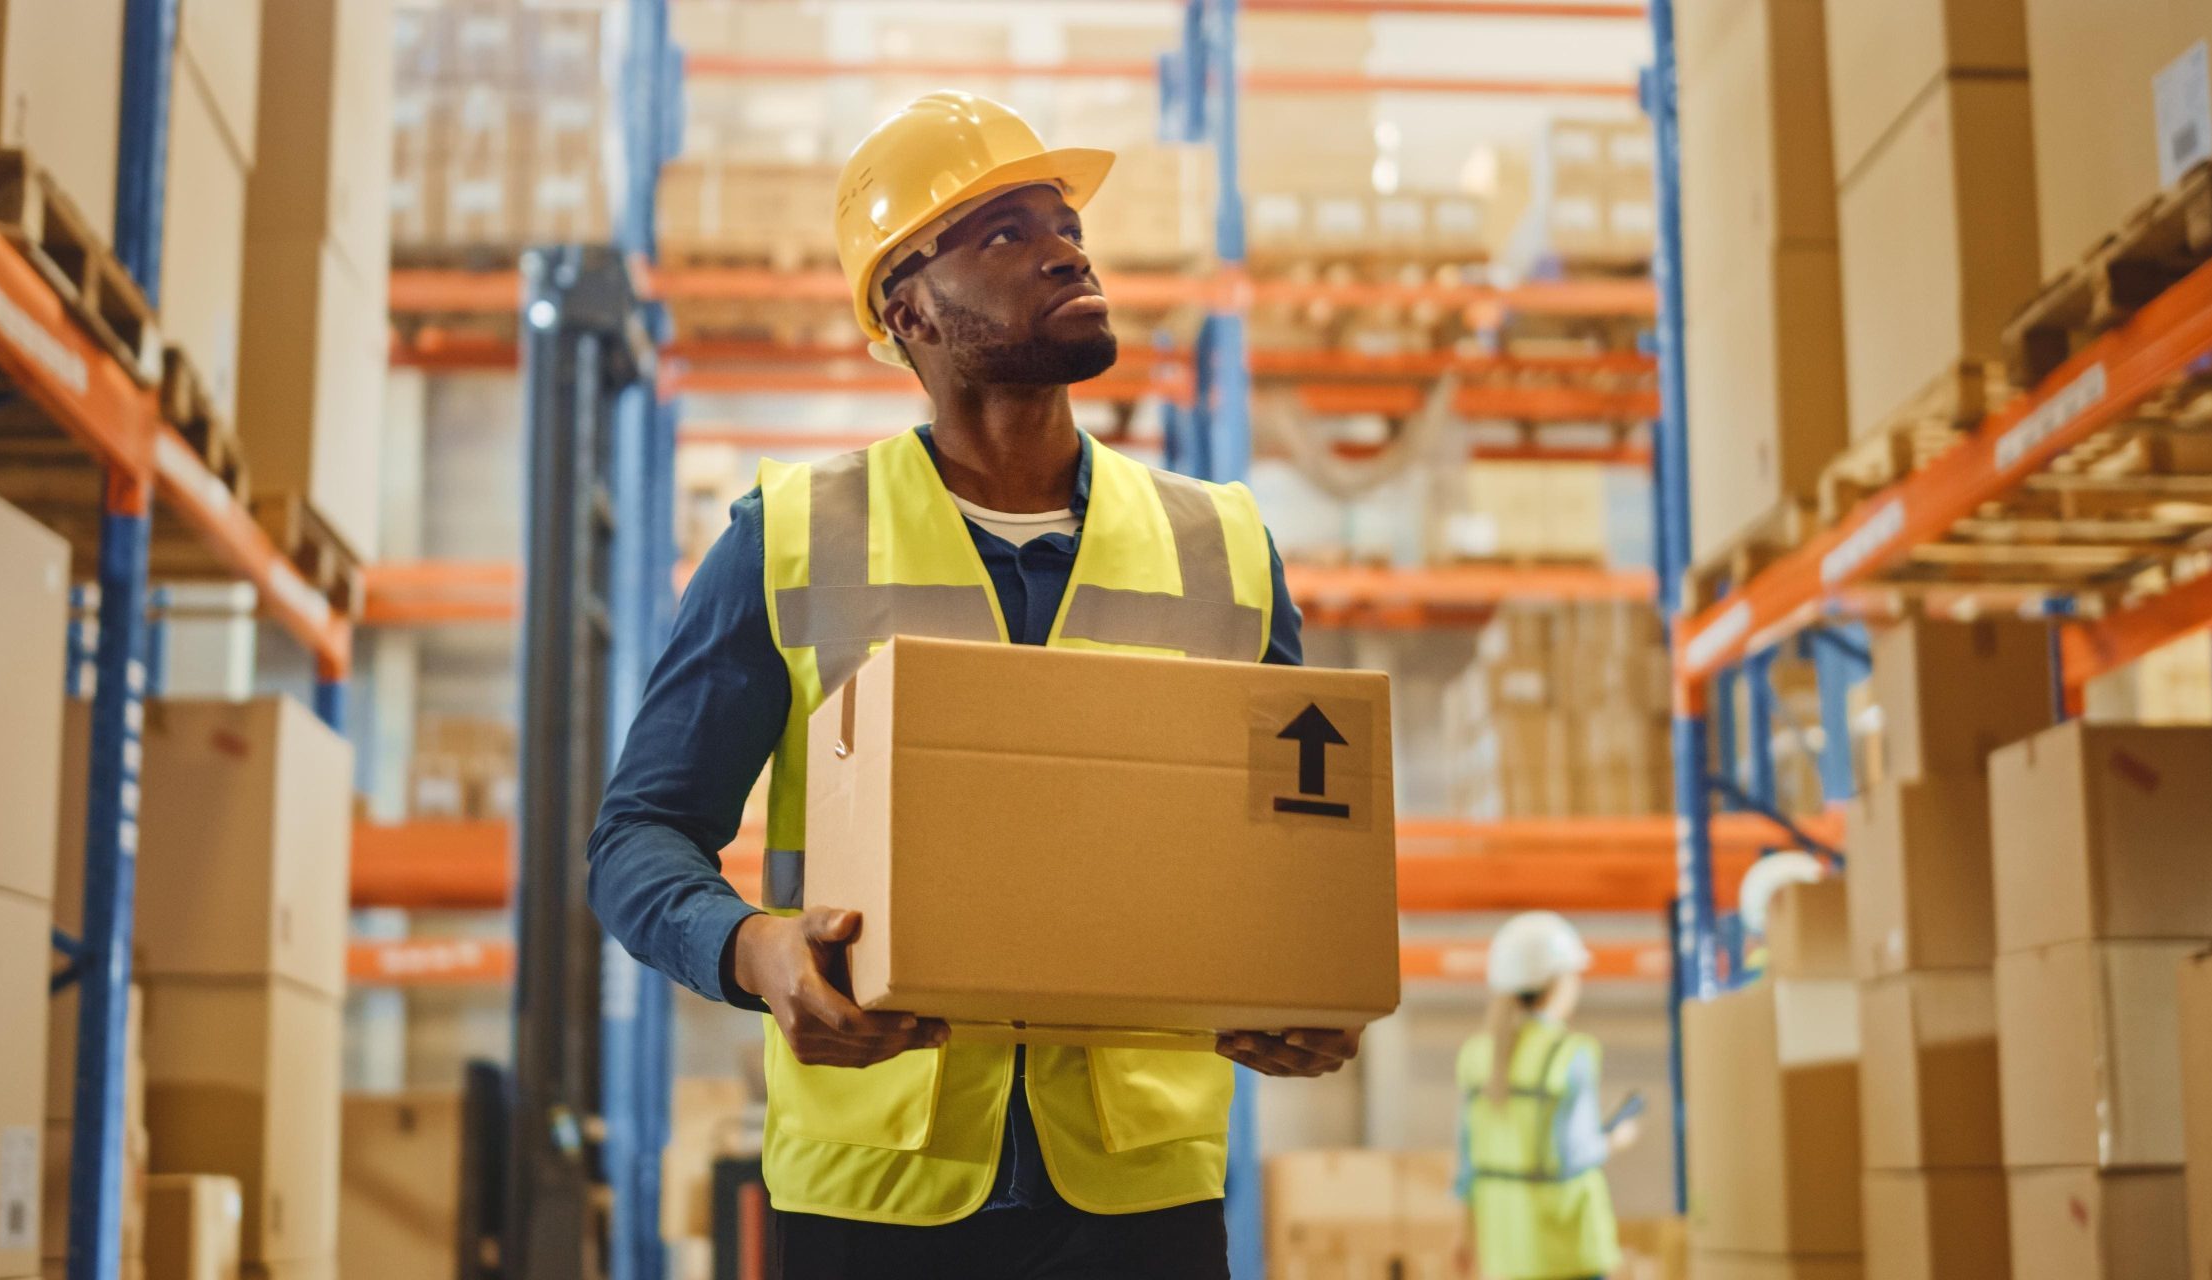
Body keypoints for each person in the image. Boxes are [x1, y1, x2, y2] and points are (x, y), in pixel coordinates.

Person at [586, 91, 1361, 1279]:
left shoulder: (1222, 542)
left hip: (1140, 1192)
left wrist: (1314, 984)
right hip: (874, 1198)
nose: (1064, 247)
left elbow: (1299, 842)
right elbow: (636, 837)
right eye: (1003, 232)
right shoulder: (791, 535)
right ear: (909, 308)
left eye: (1066, 226)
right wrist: (756, 950)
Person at [1454, 912, 1636, 1280]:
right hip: (1568, 1254)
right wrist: (1616, 1139)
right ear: (1559, 982)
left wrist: (1464, 1236)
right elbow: (1577, 1153)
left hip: (1505, 1254)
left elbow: (1467, 1164)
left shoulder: (1477, 1055)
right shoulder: (1571, 1053)